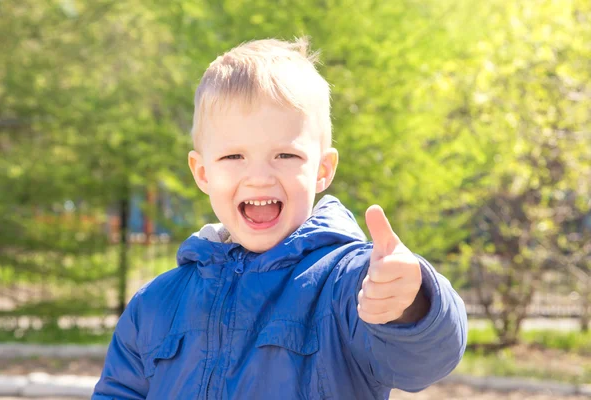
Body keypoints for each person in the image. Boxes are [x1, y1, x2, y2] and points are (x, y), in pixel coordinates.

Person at [92, 37, 467, 400]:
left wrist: (410, 303)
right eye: (233, 157)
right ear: (202, 172)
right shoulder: (157, 303)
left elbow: (423, 363)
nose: (259, 177)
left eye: (285, 156)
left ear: (322, 170)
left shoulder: (346, 284)